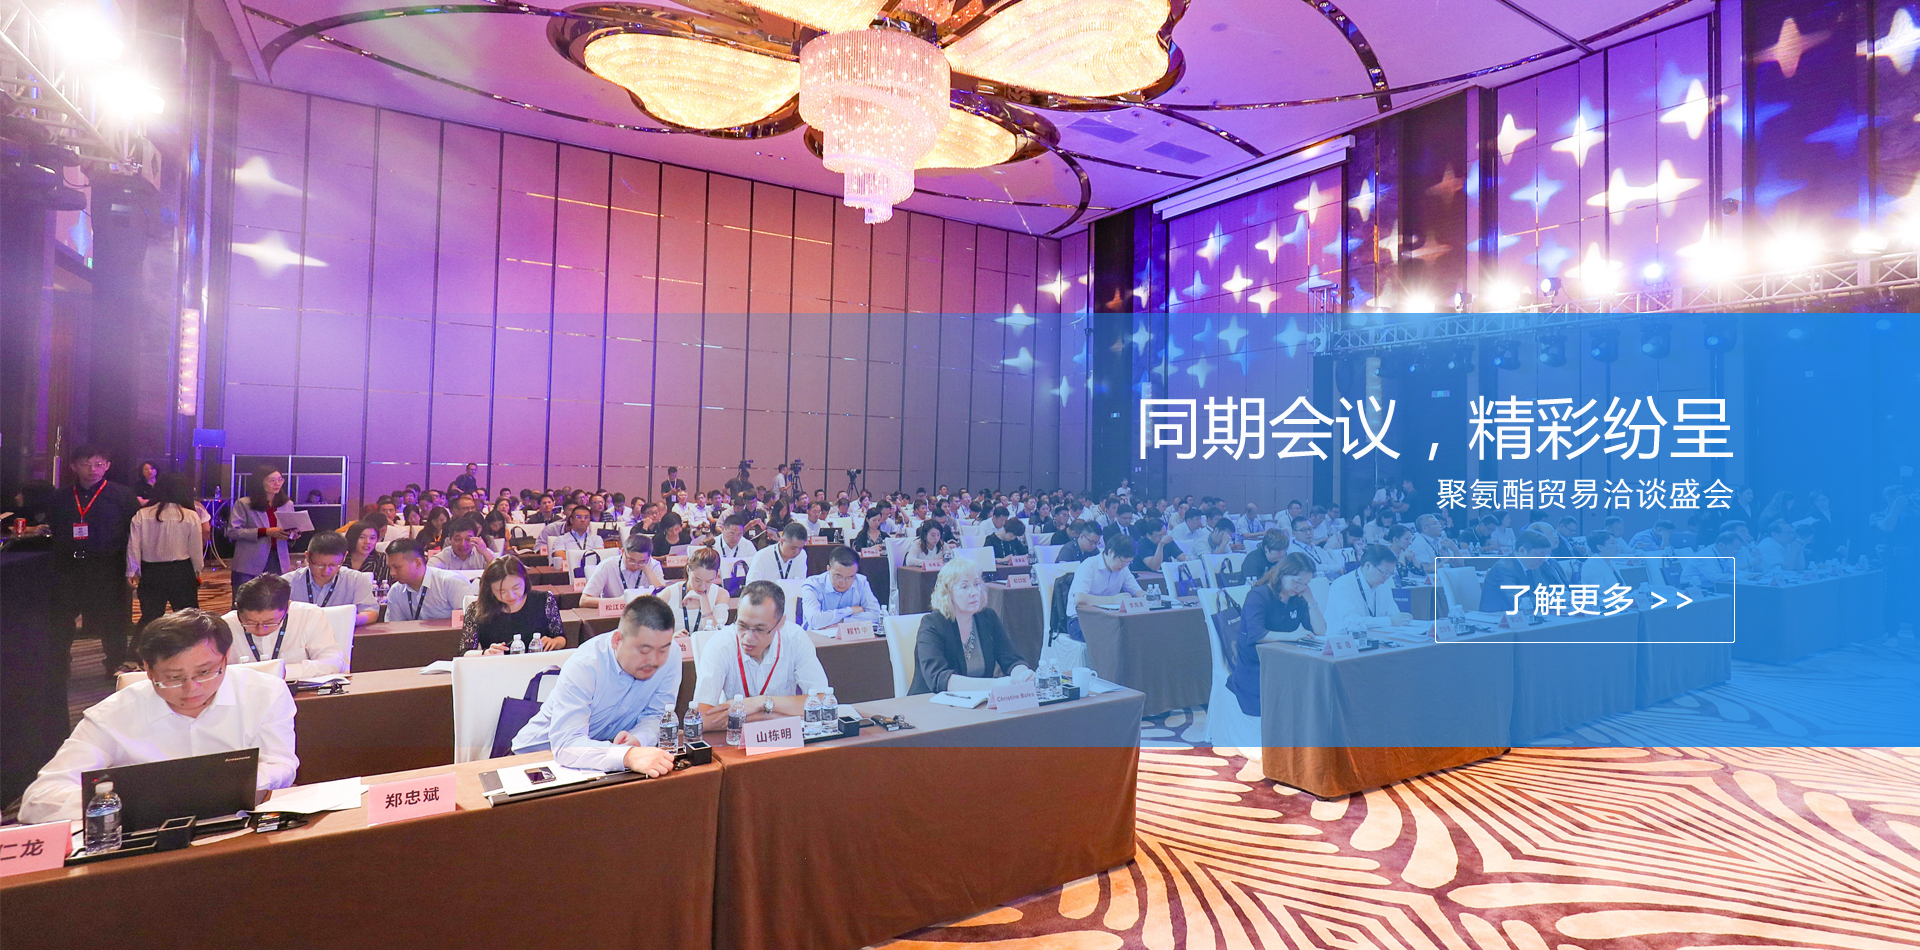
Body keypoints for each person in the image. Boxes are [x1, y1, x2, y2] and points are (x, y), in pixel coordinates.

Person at [18, 609, 300, 823]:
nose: (192, 688)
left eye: (205, 672)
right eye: (174, 677)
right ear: (148, 670)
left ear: (226, 659)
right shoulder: (112, 715)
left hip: (241, 825)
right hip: (147, 838)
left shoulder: (265, 693)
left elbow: (282, 763)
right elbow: (39, 799)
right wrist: (134, 800)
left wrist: (220, 786)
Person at [508, 596, 681, 776]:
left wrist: (639, 738)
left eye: (663, 649)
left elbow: (657, 714)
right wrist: (627, 755)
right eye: (644, 650)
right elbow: (566, 745)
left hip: (598, 758)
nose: (654, 660)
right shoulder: (586, 665)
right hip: (535, 759)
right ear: (617, 640)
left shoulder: (672, 654)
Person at [52, 445, 144, 675]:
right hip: (69, 566)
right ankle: (59, 664)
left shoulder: (122, 495)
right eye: (86, 464)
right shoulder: (61, 496)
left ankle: (115, 663)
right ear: (74, 466)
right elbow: (55, 526)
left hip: (108, 565)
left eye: (99, 464)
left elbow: (134, 530)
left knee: (113, 618)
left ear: (107, 466)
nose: (93, 469)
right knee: (62, 617)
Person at [691, 581, 830, 727]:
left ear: (780, 623)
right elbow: (702, 718)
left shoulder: (795, 639)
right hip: (737, 737)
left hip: (784, 736)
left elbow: (823, 701)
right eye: (742, 626)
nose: (748, 638)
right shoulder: (720, 645)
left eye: (760, 629)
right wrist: (769, 715)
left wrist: (761, 702)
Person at [910, 558, 1034, 693]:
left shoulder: (988, 617)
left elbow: (1012, 660)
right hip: (929, 701)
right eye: (965, 587)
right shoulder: (932, 624)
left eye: (977, 584)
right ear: (947, 592)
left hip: (979, 701)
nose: (974, 592)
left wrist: (1023, 675)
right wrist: (996, 684)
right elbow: (939, 678)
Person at [1227, 553, 1325, 715]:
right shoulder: (1259, 595)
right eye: (1297, 581)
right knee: (1299, 692)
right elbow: (1256, 634)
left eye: (1306, 584)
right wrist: (1291, 635)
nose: (1300, 587)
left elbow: (1320, 631)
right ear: (1282, 573)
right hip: (1257, 665)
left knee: (1316, 685)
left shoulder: (1297, 598)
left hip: (1285, 660)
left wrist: (1311, 600)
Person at [127, 472, 207, 635]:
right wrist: (198, 569)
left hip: (151, 571)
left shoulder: (143, 514)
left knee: (150, 617)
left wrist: (132, 571)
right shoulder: (190, 515)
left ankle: (141, 649)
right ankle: (191, 647)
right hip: (181, 570)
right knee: (188, 617)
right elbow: (195, 548)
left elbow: (133, 545)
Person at [224, 574, 347, 678]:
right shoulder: (225, 625)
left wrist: (281, 672)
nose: (261, 630)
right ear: (237, 608)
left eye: (270, 622)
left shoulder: (309, 616)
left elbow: (333, 662)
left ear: (287, 607)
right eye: (250, 622)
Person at [462, 556, 568, 655]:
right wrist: (485, 653)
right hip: (497, 665)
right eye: (501, 591)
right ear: (489, 589)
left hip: (538, 664)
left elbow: (561, 638)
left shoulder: (544, 600)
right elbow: (465, 653)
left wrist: (554, 642)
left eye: (516, 588)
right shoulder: (476, 610)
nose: (511, 595)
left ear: (525, 580)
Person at [227, 465, 302, 589]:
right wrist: (265, 532)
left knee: (276, 596)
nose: (277, 483)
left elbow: (289, 528)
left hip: (278, 559)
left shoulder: (287, 504)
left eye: (280, 479)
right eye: (272, 480)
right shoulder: (244, 504)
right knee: (247, 596)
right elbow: (232, 532)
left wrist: (293, 534)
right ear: (260, 482)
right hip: (250, 561)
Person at [283, 531, 377, 625]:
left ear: (344, 557)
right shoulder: (287, 582)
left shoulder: (356, 579)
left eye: (333, 565)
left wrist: (349, 620)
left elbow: (371, 612)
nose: (326, 571)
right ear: (307, 557)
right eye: (319, 565)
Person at [1065, 535, 1145, 641]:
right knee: (1110, 637)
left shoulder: (1123, 569)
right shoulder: (1089, 565)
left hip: (1108, 618)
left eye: (1129, 562)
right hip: (1080, 619)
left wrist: (1146, 596)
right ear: (1111, 552)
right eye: (1123, 561)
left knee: (1139, 632)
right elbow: (1080, 598)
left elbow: (1137, 591)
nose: (1124, 565)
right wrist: (1113, 600)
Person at [382, 538, 470, 621]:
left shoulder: (451, 582)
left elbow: (469, 622)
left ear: (417, 563)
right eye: (390, 568)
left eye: (397, 567)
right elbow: (395, 627)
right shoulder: (395, 591)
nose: (392, 573)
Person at [1324, 544, 1405, 632]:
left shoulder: (1383, 584)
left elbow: (1395, 616)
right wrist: (1388, 621)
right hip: (1343, 637)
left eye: (1391, 573)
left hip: (1376, 635)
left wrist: (1401, 619)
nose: (1387, 577)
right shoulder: (1342, 584)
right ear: (1368, 566)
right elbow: (1350, 621)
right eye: (1385, 572)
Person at [798, 546, 882, 630]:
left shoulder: (860, 582)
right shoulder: (813, 585)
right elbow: (815, 621)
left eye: (850, 577)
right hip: (816, 637)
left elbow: (876, 615)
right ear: (828, 569)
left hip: (850, 636)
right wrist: (850, 610)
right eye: (838, 576)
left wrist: (843, 622)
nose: (843, 582)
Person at [580, 534, 669, 608]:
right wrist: (618, 601)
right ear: (622, 552)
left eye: (641, 561)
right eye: (631, 560)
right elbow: (584, 600)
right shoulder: (607, 565)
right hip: (614, 614)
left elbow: (664, 599)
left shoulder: (653, 565)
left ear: (649, 557)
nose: (635, 565)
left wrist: (648, 571)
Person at [1480, 531, 1558, 613]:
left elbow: (1546, 591)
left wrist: (1562, 597)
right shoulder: (1503, 569)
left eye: (1546, 555)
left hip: (1525, 616)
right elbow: (1518, 602)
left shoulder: (1533, 566)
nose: (1543, 560)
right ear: (1522, 551)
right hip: (1498, 617)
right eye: (1540, 554)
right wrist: (1552, 601)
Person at [658, 547, 730, 635]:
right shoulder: (669, 594)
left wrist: (704, 600)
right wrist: (670, 638)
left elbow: (716, 634)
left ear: (716, 574)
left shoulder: (721, 594)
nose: (702, 586)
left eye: (709, 581)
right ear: (688, 570)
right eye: (697, 580)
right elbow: (650, 631)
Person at [429, 514, 493, 572]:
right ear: (450, 539)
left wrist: (485, 553)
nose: (463, 544)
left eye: (468, 539)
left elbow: (497, 571)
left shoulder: (483, 553)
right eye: (458, 539)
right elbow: (430, 574)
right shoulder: (441, 559)